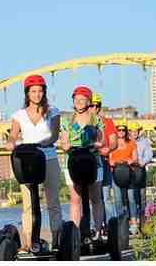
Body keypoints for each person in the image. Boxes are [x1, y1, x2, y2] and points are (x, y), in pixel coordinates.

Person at [6, 75, 63, 251]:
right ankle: (30, 243)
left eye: (40, 91)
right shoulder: (19, 115)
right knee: (28, 204)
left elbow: (54, 135)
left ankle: (58, 240)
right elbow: (13, 135)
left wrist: (45, 142)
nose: (37, 95)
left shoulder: (53, 111)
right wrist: (11, 142)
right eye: (33, 91)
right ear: (27, 93)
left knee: (53, 202)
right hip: (28, 161)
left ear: (44, 92)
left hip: (49, 158)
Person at [58, 86, 106, 239]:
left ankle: (98, 231)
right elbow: (64, 140)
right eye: (76, 99)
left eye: (83, 99)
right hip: (73, 161)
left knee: (96, 197)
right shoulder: (67, 120)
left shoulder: (96, 119)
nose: (79, 102)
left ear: (88, 101)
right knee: (75, 199)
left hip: (93, 161)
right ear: (73, 101)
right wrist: (65, 145)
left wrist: (98, 144)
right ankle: (75, 233)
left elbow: (101, 138)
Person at [90, 93, 118, 224]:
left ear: (99, 107)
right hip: (89, 162)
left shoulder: (108, 122)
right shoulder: (82, 123)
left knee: (105, 196)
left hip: (103, 161)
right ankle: (97, 227)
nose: (93, 109)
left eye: (95, 106)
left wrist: (109, 148)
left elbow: (114, 142)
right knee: (94, 198)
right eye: (90, 106)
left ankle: (111, 226)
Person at [109, 123, 138, 224]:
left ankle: (133, 219)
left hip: (129, 173)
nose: (121, 132)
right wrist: (111, 162)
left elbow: (135, 158)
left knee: (131, 197)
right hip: (116, 174)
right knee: (118, 198)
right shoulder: (112, 143)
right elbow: (109, 158)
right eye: (119, 130)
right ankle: (121, 220)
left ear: (126, 132)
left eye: (123, 130)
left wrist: (131, 160)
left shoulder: (131, 143)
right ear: (116, 132)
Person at [127, 122, 153, 229]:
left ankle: (143, 222)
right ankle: (132, 221)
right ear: (129, 132)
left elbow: (149, 154)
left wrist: (142, 162)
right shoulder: (126, 142)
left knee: (142, 197)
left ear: (139, 132)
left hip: (140, 170)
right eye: (132, 131)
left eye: (136, 131)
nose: (134, 133)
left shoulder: (144, 142)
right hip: (128, 172)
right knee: (131, 197)